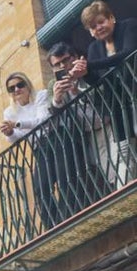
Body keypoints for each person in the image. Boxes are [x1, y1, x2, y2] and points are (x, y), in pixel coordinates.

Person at [42, 43, 111, 225]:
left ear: (74, 56)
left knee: (114, 165)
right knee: (103, 168)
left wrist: (77, 89)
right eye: (57, 64)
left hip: (107, 124)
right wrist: (57, 99)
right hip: (87, 135)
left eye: (66, 60)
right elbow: (52, 115)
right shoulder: (53, 85)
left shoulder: (86, 67)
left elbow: (105, 92)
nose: (63, 66)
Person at [81, 0, 137, 81]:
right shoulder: (93, 48)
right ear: (90, 32)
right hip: (121, 93)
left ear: (112, 18)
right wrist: (85, 72)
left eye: (101, 22)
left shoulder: (129, 25)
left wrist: (90, 65)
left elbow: (128, 53)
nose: (99, 28)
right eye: (93, 27)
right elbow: (97, 80)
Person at [0, 72, 51, 143]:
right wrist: (9, 132)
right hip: (37, 146)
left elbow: (43, 120)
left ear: (28, 85)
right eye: (11, 88)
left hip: (54, 136)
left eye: (20, 85)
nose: (16, 89)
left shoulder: (41, 95)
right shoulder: (9, 112)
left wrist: (17, 124)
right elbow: (14, 138)